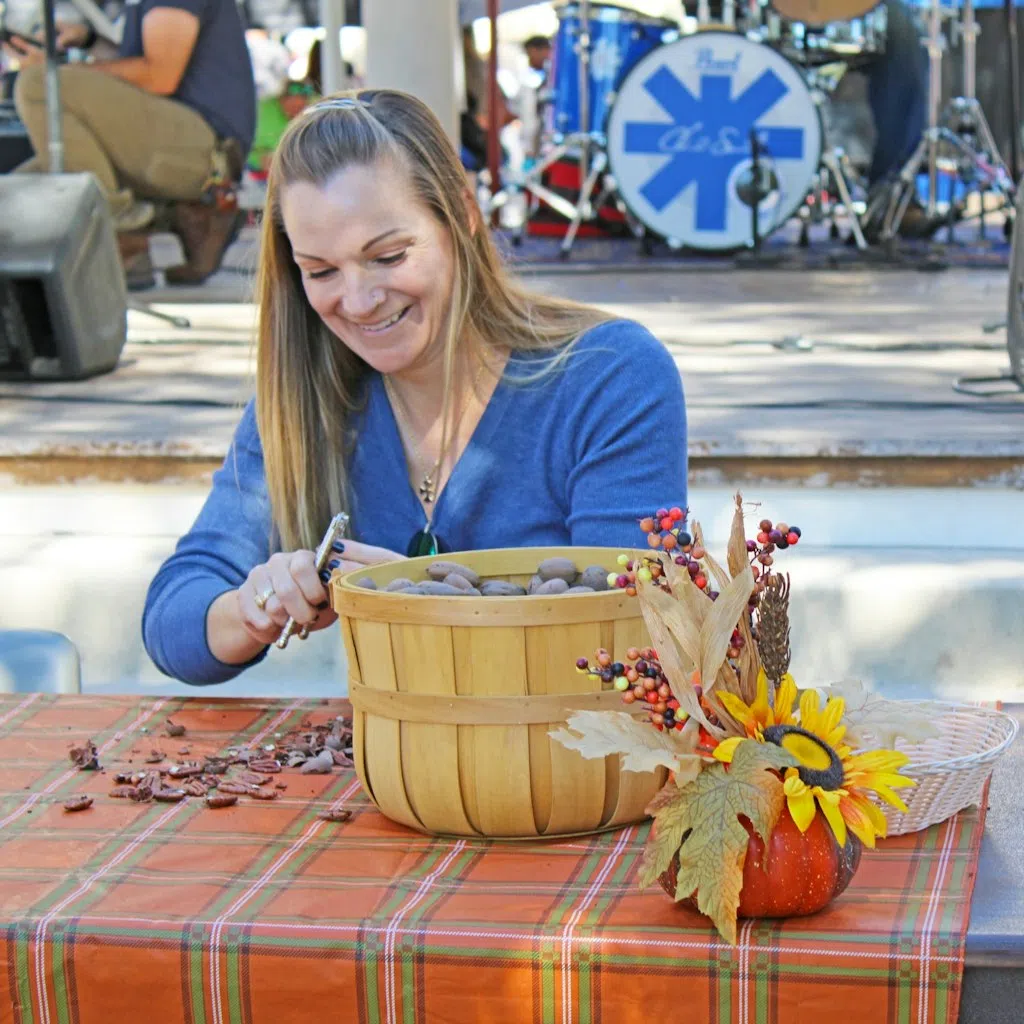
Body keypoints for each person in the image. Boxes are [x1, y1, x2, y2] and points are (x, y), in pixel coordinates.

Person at [141, 89, 688, 685]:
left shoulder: (611, 376)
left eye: (389, 256)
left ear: (463, 214)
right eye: (321, 271)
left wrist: (421, 601)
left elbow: (633, 644)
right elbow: (173, 620)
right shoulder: (306, 401)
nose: (359, 300)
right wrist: (253, 609)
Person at [5, 0, 256, 287]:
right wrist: (89, 41)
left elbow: (158, 75)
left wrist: (57, 70)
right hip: (173, 144)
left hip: (204, 154)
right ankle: (137, 243)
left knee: (39, 84)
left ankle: (119, 232)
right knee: (17, 204)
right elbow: (132, 69)